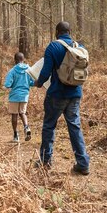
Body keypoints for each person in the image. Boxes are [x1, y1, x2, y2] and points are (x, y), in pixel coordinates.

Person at [34, 21, 90, 175]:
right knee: (75, 127)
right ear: (69, 31)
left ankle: (45, 161)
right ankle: (83, 163)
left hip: (57, 94)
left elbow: (45, 72)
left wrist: (38, 83)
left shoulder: (53, 47)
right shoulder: (80, 48)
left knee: (49, 126)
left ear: (57, 32)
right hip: (75, 94)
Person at [4, 52, 35, 143]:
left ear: (15, 60)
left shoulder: (13, 70)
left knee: (14, 114)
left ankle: (16, 135)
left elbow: (8, 84)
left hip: (14, 95)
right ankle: (26, 127)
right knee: (22, 113)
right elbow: (32, 82)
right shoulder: (29, 69)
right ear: (23, 59)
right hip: (25, 95)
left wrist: (7, 86)